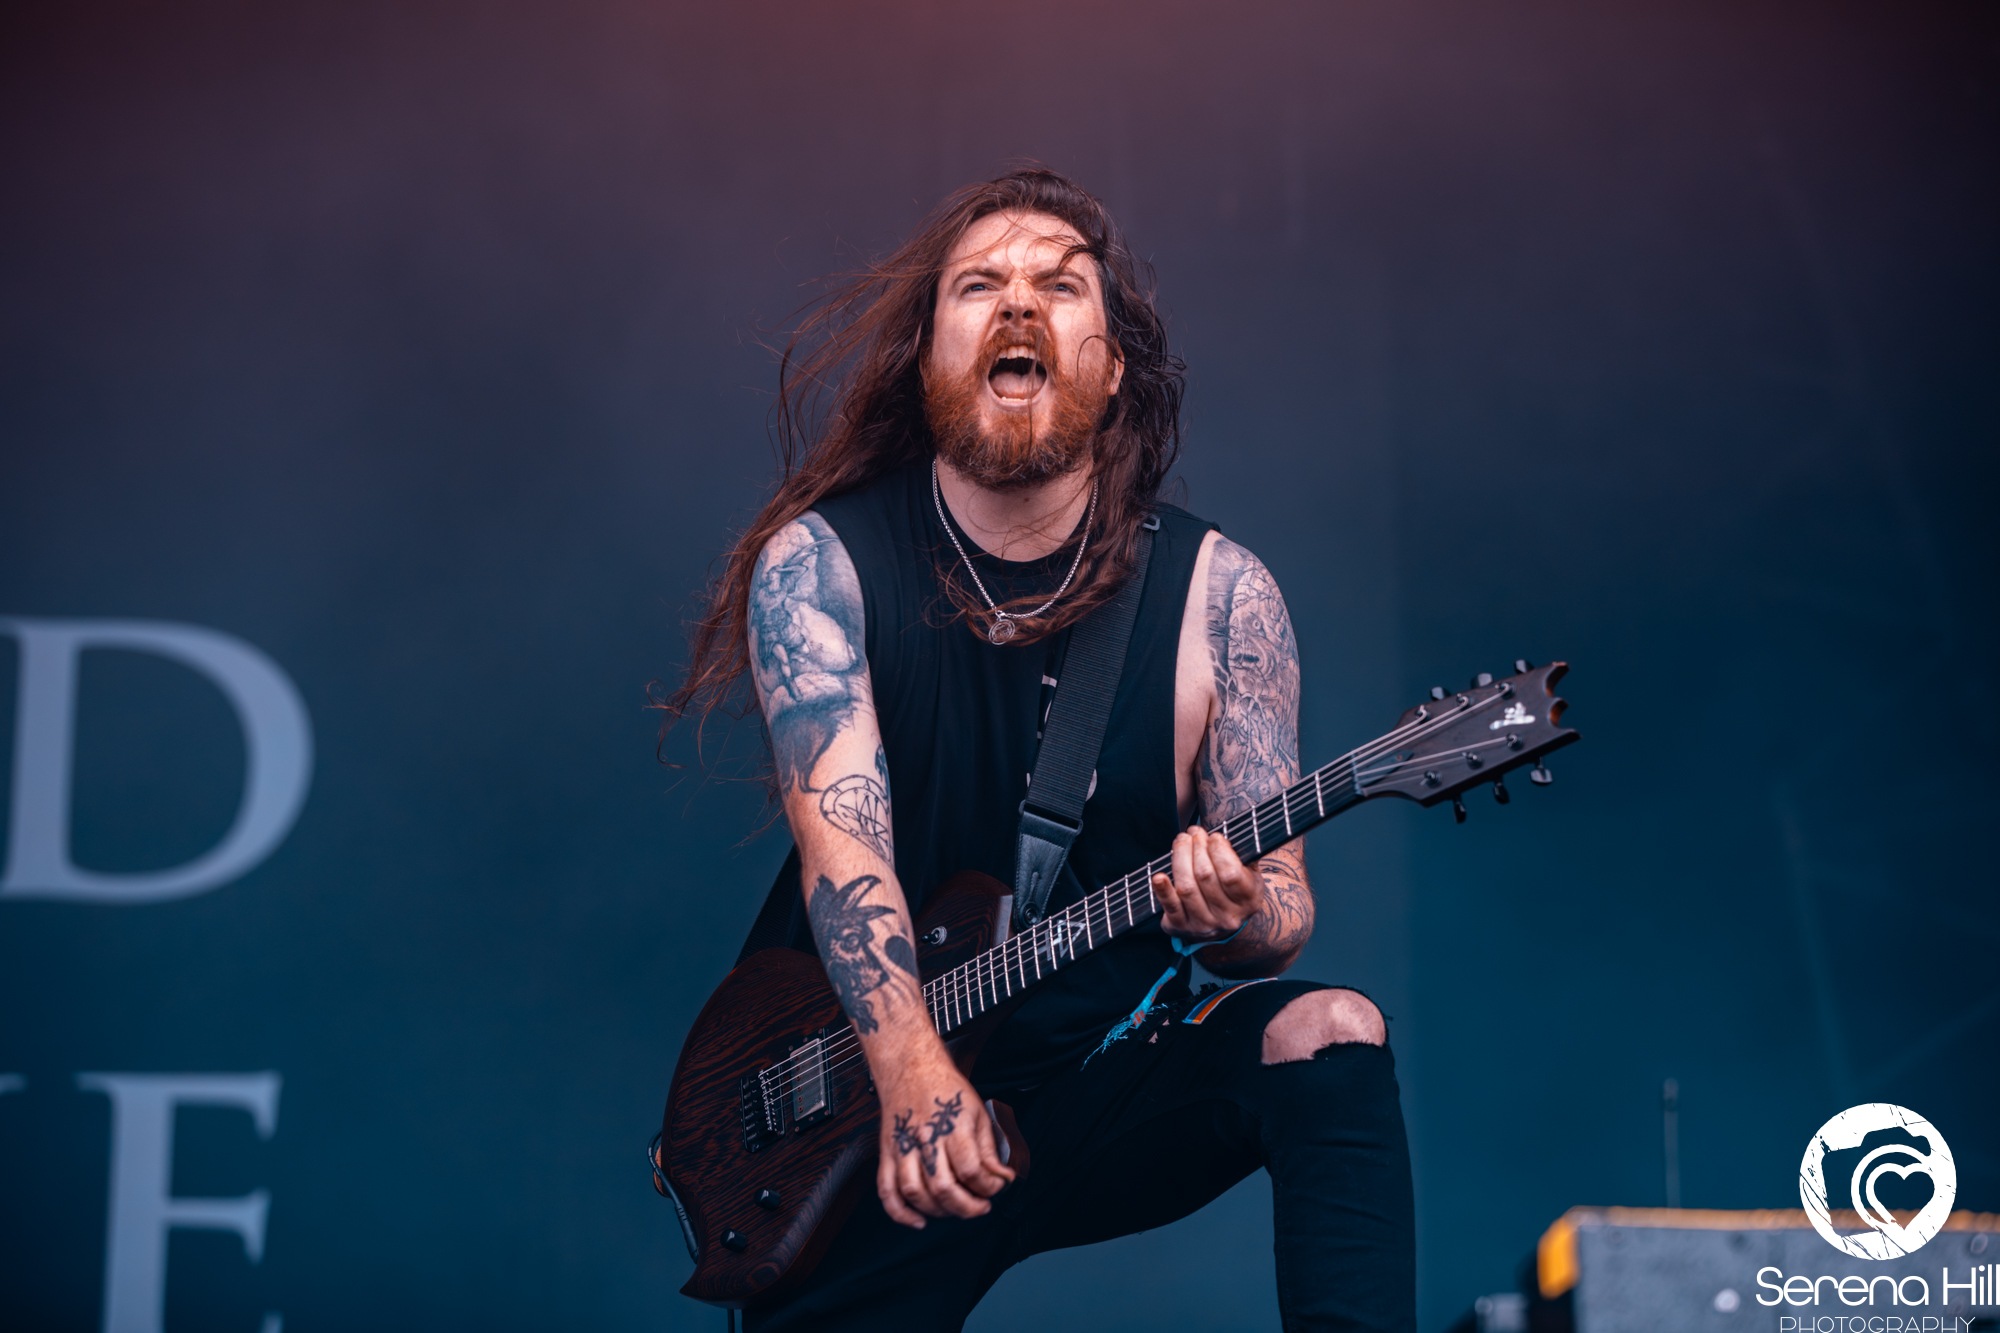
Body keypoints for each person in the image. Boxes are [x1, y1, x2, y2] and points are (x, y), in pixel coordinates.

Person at [661, 167, 1414, 1331]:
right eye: (979, 285)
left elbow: (1278, 914)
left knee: (1333, 1035)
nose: (1018, 302)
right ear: (927, 358)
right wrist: (915, 1079)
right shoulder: (822, 567)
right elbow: (843, 857)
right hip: (865, 1093)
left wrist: (1231, 914)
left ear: (1111, 370)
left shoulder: (1221, 600)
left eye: (1059, 286)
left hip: (1102, 1066)